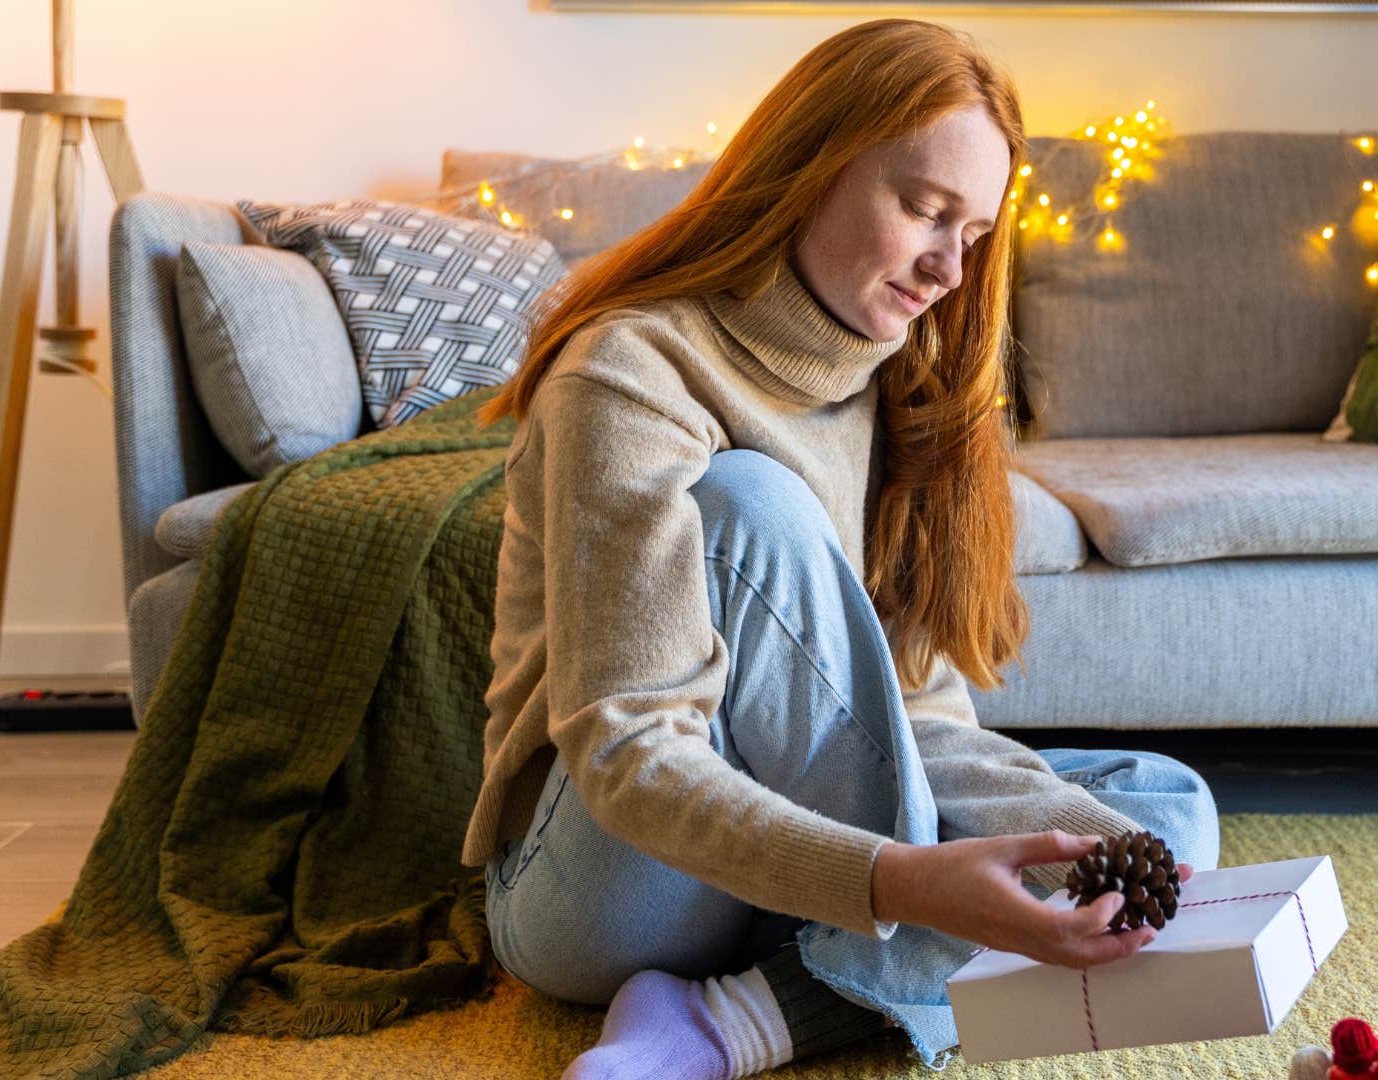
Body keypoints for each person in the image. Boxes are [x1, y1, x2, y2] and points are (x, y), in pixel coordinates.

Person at [465, 18, 1219, 1079]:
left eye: (974, 233)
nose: (950, 267)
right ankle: (891, 953)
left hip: (807, 864)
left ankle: (731, 1022)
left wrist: (1084, 850)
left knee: (1164, 820)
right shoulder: (628, 371)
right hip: (606, 886)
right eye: (926, 210)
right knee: (752, 502)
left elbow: (909, 721)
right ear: (811, 168)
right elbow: (631, 754)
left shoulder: (912, 379)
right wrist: (913, 881)